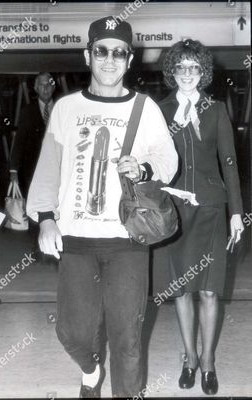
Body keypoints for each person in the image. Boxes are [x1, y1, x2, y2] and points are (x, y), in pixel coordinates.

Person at [27, 16, 178, 398]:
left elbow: (168, 160)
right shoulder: (66, 108)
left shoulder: (145, 108)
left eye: (119, 53)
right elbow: (48, 168)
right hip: (76, 238)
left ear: (130, 60)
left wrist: (142, 167)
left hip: (126, 238)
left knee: (127, 334)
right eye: (101, 51)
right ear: (87, 55)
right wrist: (46, 218)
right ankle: (91, 369)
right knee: (72, 331)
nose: (110, 60)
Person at [155, 39, 244, 395]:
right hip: (175, 209)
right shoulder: (159, 110)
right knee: (180, 291)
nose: (188, 74)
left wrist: (237, 212)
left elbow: (230, 164)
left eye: (194, 68)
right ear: (172, 72)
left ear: (203, 72)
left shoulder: (217, 109)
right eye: (181, 67)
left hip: (210, 210)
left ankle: (208, 363)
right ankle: (189, 358)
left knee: (209, 291)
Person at [9, 72, 55, 197]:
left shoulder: (61, 109)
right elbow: (19, 141)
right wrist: (14, 170)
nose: (45, 88)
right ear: (36, 88)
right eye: (41, 85)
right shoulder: (27, 111)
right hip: (32, 170)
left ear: (54, 87)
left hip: (56, 170)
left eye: (48, 85)